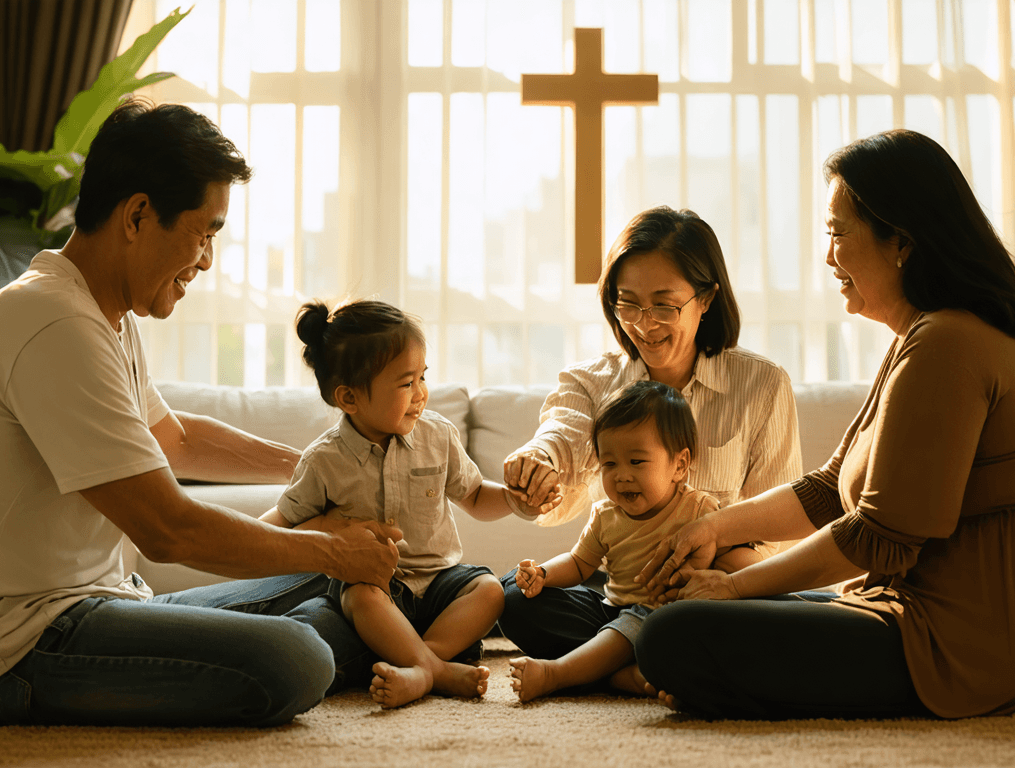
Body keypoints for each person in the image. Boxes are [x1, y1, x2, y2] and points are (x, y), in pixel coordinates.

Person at [0, 100, 402, 728]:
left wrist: (314, 469)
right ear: (137, 215)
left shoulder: (100, 313)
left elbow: (176, 439)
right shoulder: (53, 323)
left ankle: (324, 633)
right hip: (5, 650)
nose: (207, 260)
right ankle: (319, 639)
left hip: (94, 608)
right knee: (300, 656)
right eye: (205, 234)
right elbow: (168, 531)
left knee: (328, 595)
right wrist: (330, 551)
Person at [633, 129, 1015, 720]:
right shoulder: (926, 333)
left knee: (670, 637)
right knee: (695, 620)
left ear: (901, 243)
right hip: (944, 621)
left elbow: (880, 538)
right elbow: (829, 488)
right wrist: (714, 528)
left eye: (838, 234)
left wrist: (733, 587)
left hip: (982, 645)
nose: (828, 257)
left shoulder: (948, 343)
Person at [498, 205, 802, 661]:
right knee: (515, 597)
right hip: (618, 595)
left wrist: (716, 577)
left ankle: (613, 660)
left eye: (664, 304)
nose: (644, 322)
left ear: (706, 299)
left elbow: (776, 534)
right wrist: (539, 464)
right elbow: (562, 434)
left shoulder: (762, 385)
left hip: (714, 593)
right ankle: (645, 658)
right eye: (628, 303)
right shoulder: (590, 381)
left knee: (784, 616)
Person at [262, 298, 561, 709]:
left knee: (491, 590)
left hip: (440, 581)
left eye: (423, 377)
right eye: (406, 384)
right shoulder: (324, 460)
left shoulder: (437, 435)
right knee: (358, 596)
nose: (421, 394)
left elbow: (475, 496)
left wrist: (515, 499)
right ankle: (434, 670)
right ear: (349, 398)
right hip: (377, 590)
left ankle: (422, 663)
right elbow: (280, 526)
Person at [507, 381, 759, 702]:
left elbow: (736, 561)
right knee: (514, 596)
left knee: (644, 620)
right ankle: (622, 673)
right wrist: (543, 574)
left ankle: (558, 673)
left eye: (636, 462)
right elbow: (578, 564)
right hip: (610, 611)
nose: (621, 475)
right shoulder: (605, 515)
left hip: (664, 618)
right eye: (609, 464)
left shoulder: (699, 510)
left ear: (679, 465)